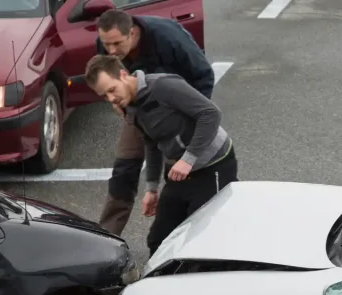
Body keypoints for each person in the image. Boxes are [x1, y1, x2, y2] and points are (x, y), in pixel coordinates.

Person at [84, 54, 238, 255]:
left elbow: (211, 113)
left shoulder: (162, 86)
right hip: (180, 172)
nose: (111, 99)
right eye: (104, 96)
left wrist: (188, 159)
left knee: (200, 237)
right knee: (159, 239)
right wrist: (152, 188)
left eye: (112, 90)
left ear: (123, 75)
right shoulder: (130, 105)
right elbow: (152, 141)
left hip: (213, 164)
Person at [93, 10, 215, 235]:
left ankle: (191, 237)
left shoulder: (167, 37)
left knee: (181, 176)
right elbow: (105, 76)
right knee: (123, 171)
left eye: (117, 44)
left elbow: (204, 75)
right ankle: (107, 238)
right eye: (106, 44)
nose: (111, 51)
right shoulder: (106, 44)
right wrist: (117, 102)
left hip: (177, 110)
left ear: (132, 33)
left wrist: (189, 122)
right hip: (137, 108)